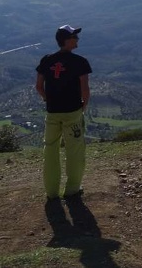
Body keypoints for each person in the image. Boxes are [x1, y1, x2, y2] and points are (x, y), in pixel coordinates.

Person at [36, 24, 92, 200]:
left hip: (52, 112)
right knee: (74, 150)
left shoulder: (46, 60)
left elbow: (38, 86)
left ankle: (51, 192)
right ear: (67, 41)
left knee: (50, 150)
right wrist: (84, 105)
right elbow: (85, 90)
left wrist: (48, 99)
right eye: (74, 36)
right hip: (72, 112)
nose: (77, 39)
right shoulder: (80, 62)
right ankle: (72, 189)